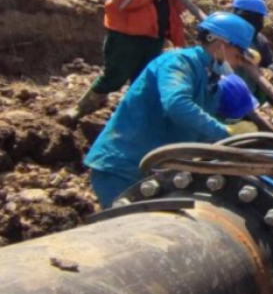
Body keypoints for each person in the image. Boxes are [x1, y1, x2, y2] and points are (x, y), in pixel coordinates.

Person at [84, 12, 260, 208]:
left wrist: (234, 139)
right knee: (126, 231)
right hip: (123, 167)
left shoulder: (211, 82)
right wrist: (224, 131)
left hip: (154, 171)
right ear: (219, 44)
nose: (236, 65)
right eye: (236, 56)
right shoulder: (178, 63)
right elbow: (176, 104)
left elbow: (199, 129)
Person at [63, 0, 193, 123]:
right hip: (126, 37)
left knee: (144, 82)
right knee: (114, 76)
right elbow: (124, 2)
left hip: (154, 37)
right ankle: (81, 108)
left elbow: (181, 4)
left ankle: (133, 122)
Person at [231, 0, 273, 103]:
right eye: (259, 18)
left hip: (251, 97)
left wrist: (270, 71)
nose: (260, 22)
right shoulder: (224, 37)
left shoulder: (259, 40)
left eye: (261, 19)